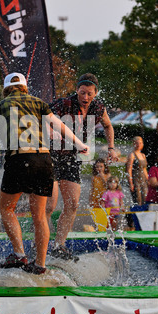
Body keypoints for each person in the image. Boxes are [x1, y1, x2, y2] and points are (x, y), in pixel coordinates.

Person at [0, 73, 89, 275]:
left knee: (7, 208)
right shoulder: (39, 103)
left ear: (6, 89)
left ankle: (19, 253)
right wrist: (79, 144)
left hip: (18, 159)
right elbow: (59, 125)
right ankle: (40, 265)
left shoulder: (1, 106)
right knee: (40, 216)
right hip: (43, 160)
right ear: (25, 87)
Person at [46, 73, 118, 260]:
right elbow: (43, 117)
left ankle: (59, 246)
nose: (85, 97)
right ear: (77, 89)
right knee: (49, 206)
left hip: (72, 158)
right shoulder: (64, 104)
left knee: (72, 204)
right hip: (50, 156)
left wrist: (111, 148)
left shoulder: (98, 107)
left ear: (95, 93)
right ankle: (40, 245)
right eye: (82, 92)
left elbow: (108, 126)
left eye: (89, 94)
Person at [126, 136, 148, 205]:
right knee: (137, 200)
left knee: (145, 198)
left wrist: (148, 180)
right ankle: (136, 214)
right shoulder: (132, 155)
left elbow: (144, 169)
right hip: (136, 180)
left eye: (140, 143)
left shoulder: (143, 155)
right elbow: (128, 170)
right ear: (134, 144)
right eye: (137, 143)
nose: (139, 145)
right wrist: (130, 183)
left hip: (143, 180)